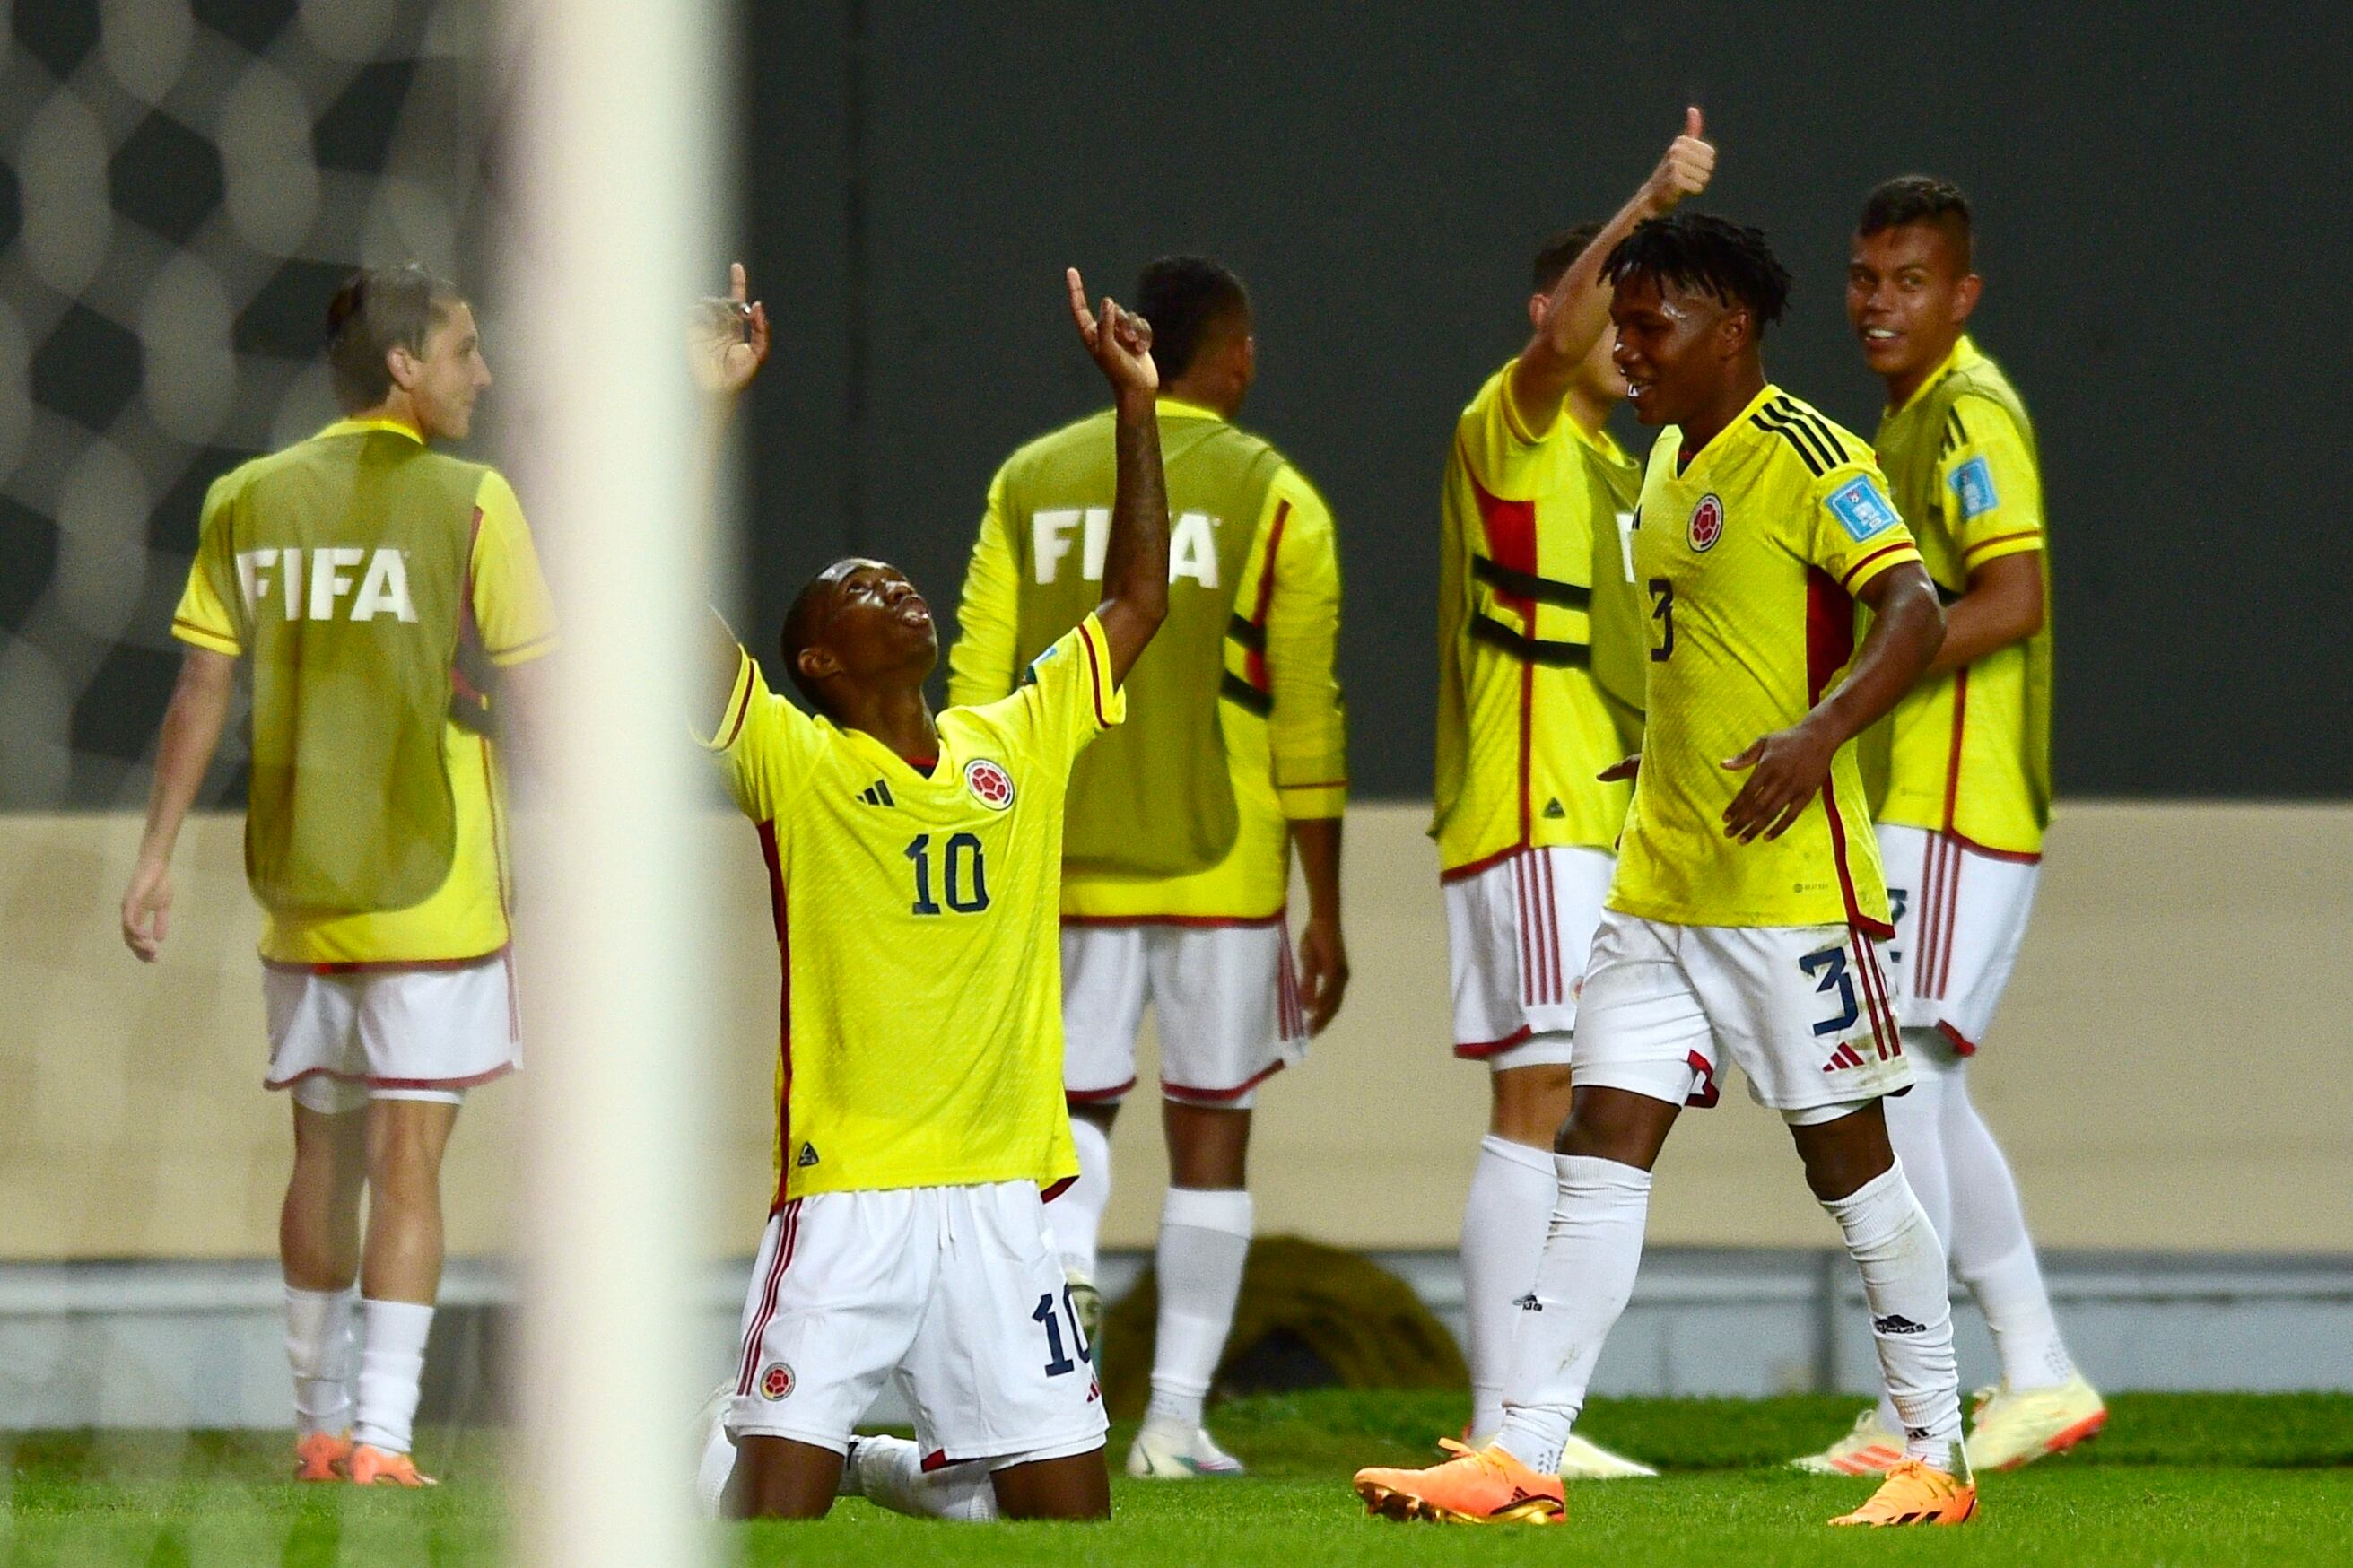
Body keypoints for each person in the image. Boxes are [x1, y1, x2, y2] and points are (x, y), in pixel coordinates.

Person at [1354, 212, 1973, 1529]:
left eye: (1651, 326)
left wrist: (1821, 732)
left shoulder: (1811, 452)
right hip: (1659, 884)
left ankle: (1938, 1451)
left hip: (1788, 890)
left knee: (1851, 1166)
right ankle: (1522, 1452)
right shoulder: (1661, 465)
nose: (1626, 350)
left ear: (1731, 325)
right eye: (1619, 326)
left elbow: (1913, 608)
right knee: (1599, 1142)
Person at [691, 263, 1166, 1522]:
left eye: (899, 578)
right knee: (765, 1516)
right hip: (849, 1191)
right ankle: (841, 1459)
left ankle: (897, 1469)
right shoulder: (793, 762)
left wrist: (1136, 406)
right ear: (815, 658)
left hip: (1004, 1191)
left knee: (1069, 1520)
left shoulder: (1017, 735)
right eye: (859, 588)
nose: (895, 587)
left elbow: (1139, 601)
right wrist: (706, 410)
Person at [121, 265, 554, 1487]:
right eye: (466, 350)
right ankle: (383, 1438)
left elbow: (200, 688)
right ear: (407, 367)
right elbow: (536, 689)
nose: (483, 372)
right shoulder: (475, 501)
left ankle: (312, 1423)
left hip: (301, 891)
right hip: (434, 891)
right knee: (411, 1168)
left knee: (324, 1159)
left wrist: (155, 856)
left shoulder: (249, 498)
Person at [948, 255, 1349, 1478]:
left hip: (1061, 862)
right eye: (1250, 344)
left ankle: (1059, 1404)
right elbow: (1307, 717)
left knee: (1068, 1130)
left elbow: (975, 682)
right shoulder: (1276, 492)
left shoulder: (1030, 479)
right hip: (1223, 870)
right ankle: (1173, 1425)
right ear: (1224, 355)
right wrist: (1325, 904)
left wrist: (971, 855)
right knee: (1213, 1134)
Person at [1791, 175, 2102, 1477]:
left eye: (1910, 280)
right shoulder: (1910, 416)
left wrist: (1865, 685)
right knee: (1918, 1075)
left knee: (1898, 1071)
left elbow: (2015, 594)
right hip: (1919, 796)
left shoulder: (1968, 410)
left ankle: (1955, 1391)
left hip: (1958, 800)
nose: (1879, 302)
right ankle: (2024, 1374)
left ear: (1961, 295)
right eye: (1866, 277)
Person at [1434, 110, 1712, 1479]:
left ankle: (1529, 1411)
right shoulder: (1517, 423)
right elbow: (1553, 346)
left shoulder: (1626, 466)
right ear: (1564, 308)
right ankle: (1502, 1421)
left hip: (1597, 823)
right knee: (1535, 1098)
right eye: (1620, 305)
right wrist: (1651, 194)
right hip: (1532, 811)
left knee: (1583, 1101)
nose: (1631, 333)